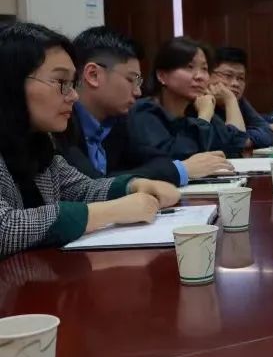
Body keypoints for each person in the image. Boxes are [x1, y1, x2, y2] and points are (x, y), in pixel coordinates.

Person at [0, 22, 180, 258]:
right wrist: (106, 212)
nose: (74, 96)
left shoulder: (37, 144)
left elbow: (82, 189)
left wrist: (132, 185)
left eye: (72, 84)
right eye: (61, 83)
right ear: (11, 82)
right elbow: (4, 228)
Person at [54, 27, 233, 186]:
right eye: (130, 79)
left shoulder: (118, 122)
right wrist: (181, 170)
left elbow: (157, 160)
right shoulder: (60, 125)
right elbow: (93, 185)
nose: (138, 92)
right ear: (93, 75)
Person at [128, 37, 249, 160]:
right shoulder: (145, 111)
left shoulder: (195, 109)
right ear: (162, 76)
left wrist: (230, 100)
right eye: (189, 67)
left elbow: (236, 144)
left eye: (204, 69)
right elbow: (174, 157)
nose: (200, 76)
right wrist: (204, 118)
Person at [210, 46, 273, 149]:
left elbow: (270, 133)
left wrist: (247, 139)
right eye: (228, 75)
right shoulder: (201, 103)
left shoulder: (240, 102)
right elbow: (236, 143)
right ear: (209, 75)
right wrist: (230, 100)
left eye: (240, 78)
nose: (236, 83)